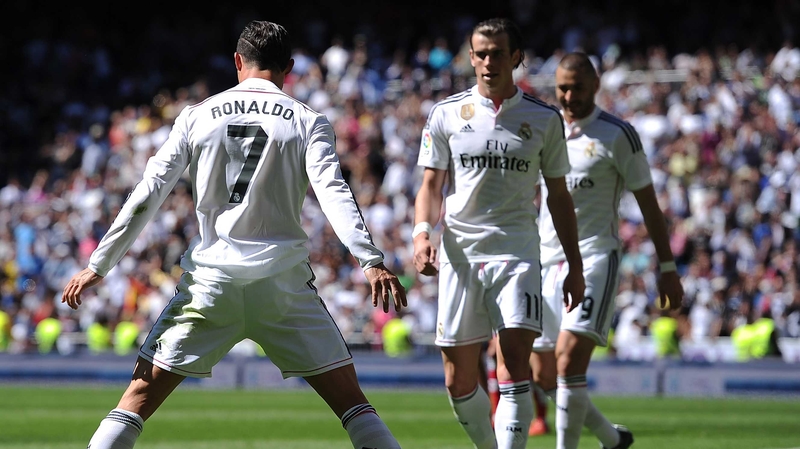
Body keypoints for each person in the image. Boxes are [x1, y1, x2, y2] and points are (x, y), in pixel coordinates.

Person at [61, 20, 406, 449]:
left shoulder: (196, 116)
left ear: (238, 61)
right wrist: (370, 260)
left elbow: (148, 191)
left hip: (211, 283)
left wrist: (100, 264)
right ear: (289, 68)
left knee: (133, 402)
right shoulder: (307, 120)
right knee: (355, 408)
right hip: (283, 286)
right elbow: (334, 193)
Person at [412, 18, 585, 449]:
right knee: (457, 380)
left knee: (513, 369)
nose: (488, 61)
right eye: (481, 53)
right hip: (460, 255)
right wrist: (421, 234)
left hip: (518, 253)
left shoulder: (544, 119)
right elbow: (431, 187)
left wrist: (574, 265)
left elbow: (559, 197)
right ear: (471, 58)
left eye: (497, 53)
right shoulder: (446, 114)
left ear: (516, 58)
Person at [529, 51, 685, 449]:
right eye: (562, 87)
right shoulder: (546, 128)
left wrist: (667, 266)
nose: (567, 95)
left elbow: (650, 205)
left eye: (576, 87)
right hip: (546, 260)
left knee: (567, 361)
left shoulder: (618, 134)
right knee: (543, 373)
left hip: (596, 256)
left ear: (596, 86)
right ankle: (611, 438)